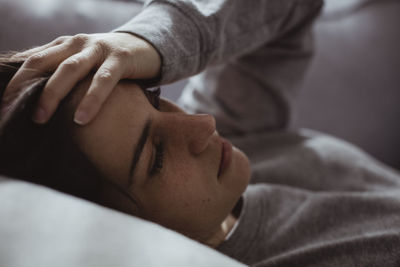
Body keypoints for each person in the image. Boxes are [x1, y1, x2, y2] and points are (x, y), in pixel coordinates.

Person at [1, 0, 400, 266]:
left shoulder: (238, 140)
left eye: (155, 100)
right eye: (155, 157)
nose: (202, 124)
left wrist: (147, 41)